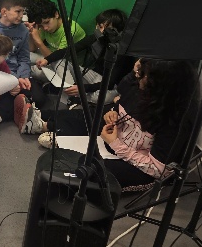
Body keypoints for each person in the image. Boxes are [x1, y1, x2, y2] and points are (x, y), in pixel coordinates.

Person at [23, 59, 199, 192]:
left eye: (144, 75)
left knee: (87, 168)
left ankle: (54, 130)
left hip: (139, 166)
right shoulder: (141, 88)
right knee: (88, 115)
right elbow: (121, 99)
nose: (139, 78)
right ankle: (45, 123)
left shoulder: (177, 120)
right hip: (116, 140)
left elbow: (156, 169)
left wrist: (116, 144)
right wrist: (113, 114)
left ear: (162, 85)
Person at [35, 9, 134, 105]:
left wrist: (83, 89)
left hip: (110, 85)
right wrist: (47, 60)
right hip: (93, 76)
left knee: (103, 97)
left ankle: (68, 93)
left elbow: (110, 83)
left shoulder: (121, 51)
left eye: (104, 28)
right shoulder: (96, 38)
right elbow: (70, 50)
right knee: (59, 61)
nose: (100, 30)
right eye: (99, 26)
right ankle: (72, 95)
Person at [27, 0, 86, 83]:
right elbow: (31, 49)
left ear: (56, 14)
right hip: (49, 56)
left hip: (67, 65)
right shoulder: (44, 26)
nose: (45, 28)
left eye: (47, 22)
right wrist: (31, 32)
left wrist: (38, 42)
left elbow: (56, 59)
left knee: (36, 71)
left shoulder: (69, 30)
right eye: (41, 26)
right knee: (24, 54)